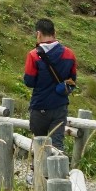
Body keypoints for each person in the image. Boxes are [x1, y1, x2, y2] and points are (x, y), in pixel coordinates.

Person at [21, 18, 76, 150]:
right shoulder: (69, 54)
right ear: (54, 33)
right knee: (57, 145)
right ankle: (57, 169)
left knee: (39, 146)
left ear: (38, 34)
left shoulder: (34, 55)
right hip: (60, 106)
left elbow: (29, 82)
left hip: (40, 106)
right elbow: (72, 80)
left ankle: (38, 170)